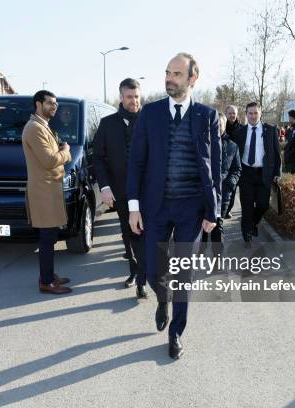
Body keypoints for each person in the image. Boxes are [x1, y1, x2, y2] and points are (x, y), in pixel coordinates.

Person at [127, 53, 221, 359]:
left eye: (177, 74)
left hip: (191, 209)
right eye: (167, 72)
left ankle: (176, 333)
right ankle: (162, 298)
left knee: (183, 275)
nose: (169, 78)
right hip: (155, 206)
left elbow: (215, 168)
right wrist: (133, 207)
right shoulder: (150, 114)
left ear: (192, 79)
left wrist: (213, 211)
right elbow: (136, 162)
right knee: (154, 272)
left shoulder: (207, 116)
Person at [93, 78, 148, 299]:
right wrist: (105, 187)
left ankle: (143, 279)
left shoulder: (150, 121)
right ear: (121, 98)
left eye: (136, 97)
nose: (134, 101)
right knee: (129, 233)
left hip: (149, 191)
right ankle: (135, 269)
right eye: (129, 97)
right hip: (121, 191)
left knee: (148, 235)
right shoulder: (107, 124)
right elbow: (98, 158)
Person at [22, 90, 72, 294]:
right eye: (50, 103)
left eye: (56, 104)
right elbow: (49, 160)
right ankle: (45, 281)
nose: (54, 107)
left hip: (49, 191)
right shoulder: (34, 128)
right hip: (43, 193)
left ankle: (49, 275)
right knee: (46, 238)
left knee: (50, 237)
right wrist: (66, 152)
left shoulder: (42, 125)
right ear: (38, 104)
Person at [231, 101, 281, 246]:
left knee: (263, 204)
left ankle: (252, 224)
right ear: (246, 115)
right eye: (250, 113)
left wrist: (277, 172)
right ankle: (246, 235)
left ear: (260, 113)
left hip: (263, 173)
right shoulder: (239, 132)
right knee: (246, 207)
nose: (253, 116)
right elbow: (235, 155)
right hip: (246, 173)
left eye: (255, 113)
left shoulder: (270, 130)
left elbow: (277, 155)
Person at [203, 112, 241, 248]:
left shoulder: (232, 146)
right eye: (215, 124)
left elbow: (237, 169)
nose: (218, 127)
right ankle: (198, 258)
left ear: (225, 125)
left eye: (221, 124)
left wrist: (230, 184)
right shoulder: (202, 144)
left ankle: (218, 261)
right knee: (201, 228)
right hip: (202, 193)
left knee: (217, 227)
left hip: (222, 194)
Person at [224, 105, 243, 219]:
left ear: (236, 114)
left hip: (235, 164)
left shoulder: (242, 129)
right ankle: (221, 210)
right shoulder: (221, 126)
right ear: (226, 114)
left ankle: (227, 209)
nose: (232, 115)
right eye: (229, 113)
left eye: (233, 113)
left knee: (232, 188)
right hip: (223, 163)